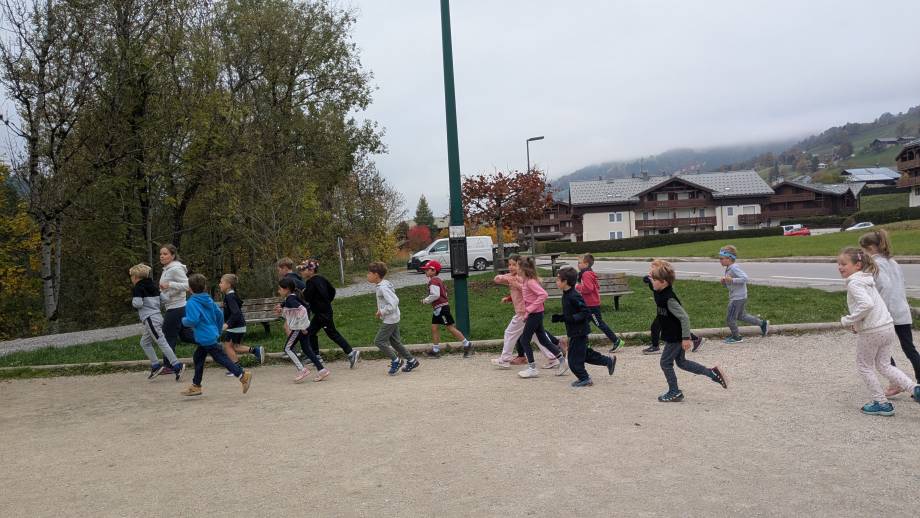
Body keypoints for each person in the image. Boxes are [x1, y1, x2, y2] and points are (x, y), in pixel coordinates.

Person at [837, 247, 920, 416]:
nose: (839, 267)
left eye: (844, 264)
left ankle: (881, 403)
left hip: (872, 331)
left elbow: (866, 305)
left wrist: (849, 320)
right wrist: (857, 324)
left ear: (857, 265)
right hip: (887, 327)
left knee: (864, 366)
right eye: (838, 264)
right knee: (884, 365)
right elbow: (871, 307)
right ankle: (914, 388)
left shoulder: (854, 283)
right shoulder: (867, 280)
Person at [650, 260, 727, 402]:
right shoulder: (660, 291)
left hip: (676, 337)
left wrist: (686, 338)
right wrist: (654, 272)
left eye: (654, 279)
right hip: (673, 335)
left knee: (665, 363)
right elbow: (655, 284)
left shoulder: (669, 298)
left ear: (663, 282)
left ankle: (674, 392)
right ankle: (712, 373)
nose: (651, 281)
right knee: (681, 362)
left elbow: (684, 317)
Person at [859, 230, 920, 392]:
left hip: (886, 314)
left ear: (870, 248)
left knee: (882, 350)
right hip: (902, 310)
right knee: (909, 348)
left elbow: (884, 287)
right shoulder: (893, 262)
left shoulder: (873, 265)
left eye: (863, 250)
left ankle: (895, 382)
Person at [179, 274, 252, 396]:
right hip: (209, 335)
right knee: (198, 357)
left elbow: (193, 320)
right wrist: (217, 330)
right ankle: (196, 386)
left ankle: (243, 375)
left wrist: (183, 321)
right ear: (204, 287)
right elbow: (219, 314)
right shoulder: (208, 299)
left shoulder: (191, 302)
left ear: (189, 288)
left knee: (221, 358)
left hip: (205, 337)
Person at [492, 254, 566, 369]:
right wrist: (505, 279)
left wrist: (516, 284)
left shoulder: (525, 280)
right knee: (538, 337)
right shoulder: (516, 277)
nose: (511, 267)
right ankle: (553, 358)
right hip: (527, 312)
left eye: (514, 265)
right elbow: (497, 279)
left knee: (511, 333)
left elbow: (533, 292)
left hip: (524, 313)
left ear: (522, 268)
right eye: (509, 264)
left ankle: (506, 359)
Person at [551, 266, 616, 387]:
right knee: (585, 354)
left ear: (565, 282)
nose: (556, 281)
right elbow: (571, 313)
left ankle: (585, 378)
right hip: (575, 331)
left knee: (573, 360)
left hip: (579, 332)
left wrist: (571, 318)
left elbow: (585, 312)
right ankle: (608, 361)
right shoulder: (567, 294)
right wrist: (561, 317)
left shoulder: (573, 296)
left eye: (558, 279)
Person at [298, 259, 360, 368]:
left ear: (311, 270)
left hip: (322, 314)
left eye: (303, 269)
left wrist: (303, 292)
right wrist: (326, 301)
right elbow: (332, 291)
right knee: (311, 332)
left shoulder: (311, 282)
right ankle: (316, 356)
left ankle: (351, 352)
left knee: (332, 333)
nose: (301, 272)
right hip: (323, 312)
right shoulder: (322, 279)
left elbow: (307, 298)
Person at [129, 263, 187, 380]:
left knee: (162, 342)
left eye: (131, 277)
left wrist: (134, 302)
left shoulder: (138, 288)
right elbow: (164, 299)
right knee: (144, 343)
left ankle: (177, 365)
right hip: (157, 317)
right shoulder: (153, 286)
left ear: (135, 277)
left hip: (150, 319)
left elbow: (138, 304)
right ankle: (156, 366)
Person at [516, 256, 568, 379]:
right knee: (543, 340)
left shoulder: (530, 282)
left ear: (523, 269)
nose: (516, 269)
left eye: (517, 266)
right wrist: (527, 313)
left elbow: (543, 295)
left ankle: (532, 368)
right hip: (535, 314)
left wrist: (529, 310)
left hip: (535, 314)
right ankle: (562, 361)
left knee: (524, 340)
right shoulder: (526, 281)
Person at [641, 260, 703, 355]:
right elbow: (650, 284)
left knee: (657, 326)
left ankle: (655, 346)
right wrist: (649, 279)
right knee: (675, 326)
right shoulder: (655, 281)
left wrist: (650, 279)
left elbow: (684, 317)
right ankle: (696, 339)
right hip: (662, 307)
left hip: (667, 307)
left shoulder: (662, 284)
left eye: (653, 268)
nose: (650, 271)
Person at [367, 261, 419, 376]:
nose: (367, 275)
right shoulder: (383, 284)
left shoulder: (383, 287)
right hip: (393, 317)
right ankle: (412, 361)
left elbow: (394, 301)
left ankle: (396, 360)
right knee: (395, 342)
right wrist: (382, 310)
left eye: (369, 273)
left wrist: (382, 311)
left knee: (379, 341)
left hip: (390, 319)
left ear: (376, 275)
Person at [276, 277, 330, 383]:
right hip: (302, 327)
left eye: (280, 289)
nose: (278, 291)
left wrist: (302, 327)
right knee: (307, 349)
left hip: (299, 329)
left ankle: (302, 370)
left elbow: (303, 310)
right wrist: (281, 309)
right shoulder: (292, 297)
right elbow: (295, 311)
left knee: (287, 348)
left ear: (286, 289)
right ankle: (322, 370)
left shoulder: (291, 299)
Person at [158, 244, 197, 377]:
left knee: (167, 337)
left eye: (165, 254)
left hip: (176, 308)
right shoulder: (167, 269)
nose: (162, 256)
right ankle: (214, 345)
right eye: (161, 254)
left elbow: (188, 285)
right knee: (186, 336)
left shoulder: (175, 269)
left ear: (173, 255)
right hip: (177, 307)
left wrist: (170, 284)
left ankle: (168, 366)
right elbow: (167, 288)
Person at [420, 260, 472, 358]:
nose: (425, 271)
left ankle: (467, 344)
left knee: (450, 328)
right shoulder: (438, 280)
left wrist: (425, 300)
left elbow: (435, 295)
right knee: (434, 328)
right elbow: (445, 293)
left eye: (427, 270)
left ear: (434, 270)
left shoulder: (433, 281)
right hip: (439, 309)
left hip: (442, 308)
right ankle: (436, 350)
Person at [718, 245, 768, 344]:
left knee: (730, 319)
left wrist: (732, 280)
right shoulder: (729, 268)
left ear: (729, 259)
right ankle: (763, 324)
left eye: (721, 258)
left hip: (737, 298)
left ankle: (736, 337)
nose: (720, 261)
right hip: (740, 296)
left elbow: (745, 278)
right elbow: (732, 284)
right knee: (741, 316)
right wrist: (725, 282)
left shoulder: (733, 268)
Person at [576, 253, 625, 352]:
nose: (578, 264)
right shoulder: (588, 273)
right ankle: (585, 345)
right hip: (588, 304)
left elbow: (588, 288)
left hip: (591, 305)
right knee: (582, 324)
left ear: (586, 264)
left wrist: (577, 287)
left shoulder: (586, 274)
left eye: (579, 262)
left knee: (599, 323)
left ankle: (617, 341)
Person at [218, 274, 264, 374]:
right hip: (239, 325)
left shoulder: (230, 297)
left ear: (228, 285)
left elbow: (236, 313)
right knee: (235, 346)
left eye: (221, 282)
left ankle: (236, 369)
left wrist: (228, 324)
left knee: (227, 346)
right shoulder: (231, 295)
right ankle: (255, 350)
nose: (219, 284)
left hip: (235, 326)